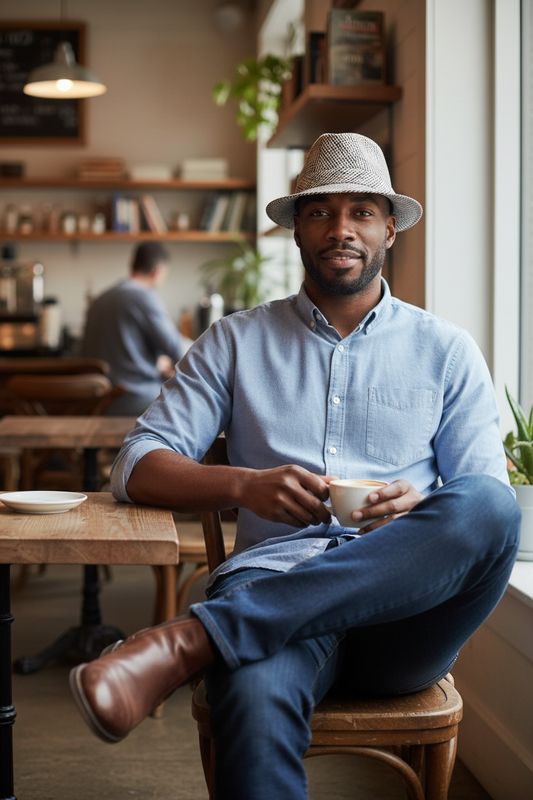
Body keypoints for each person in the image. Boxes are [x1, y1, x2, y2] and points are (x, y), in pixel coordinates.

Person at [70, 133, 521, 799]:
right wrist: (243, 485)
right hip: (269, 587)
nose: (340, 229)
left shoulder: (446, 350)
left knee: (490, 503)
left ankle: (192, 640)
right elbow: (134, 465)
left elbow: (476, 505)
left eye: (361, 211)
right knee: (251, 702)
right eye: (319, 212)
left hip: (403, 623)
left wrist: (412, 515)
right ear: (296, 231)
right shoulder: (233, 341)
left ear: (389, 228)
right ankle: (221, 636)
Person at [81, 241, 188, 416]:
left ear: (132, 264)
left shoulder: (100, 299)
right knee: (190, 404)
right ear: (158, 271)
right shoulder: (143, 296)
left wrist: (153, 362)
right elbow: (178, 351)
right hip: (131, 398)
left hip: (97, 400)